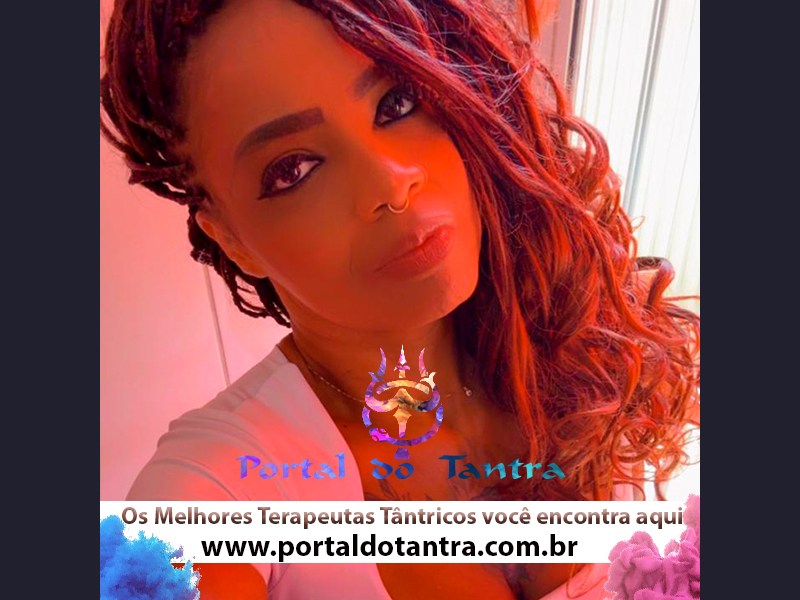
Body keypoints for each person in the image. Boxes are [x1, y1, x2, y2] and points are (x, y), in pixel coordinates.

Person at [100, 0, 700, 598]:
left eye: (397, 103)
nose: (390, 182)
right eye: (293, 169)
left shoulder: (578, 332)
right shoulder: (218, 483)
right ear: (230, 238)